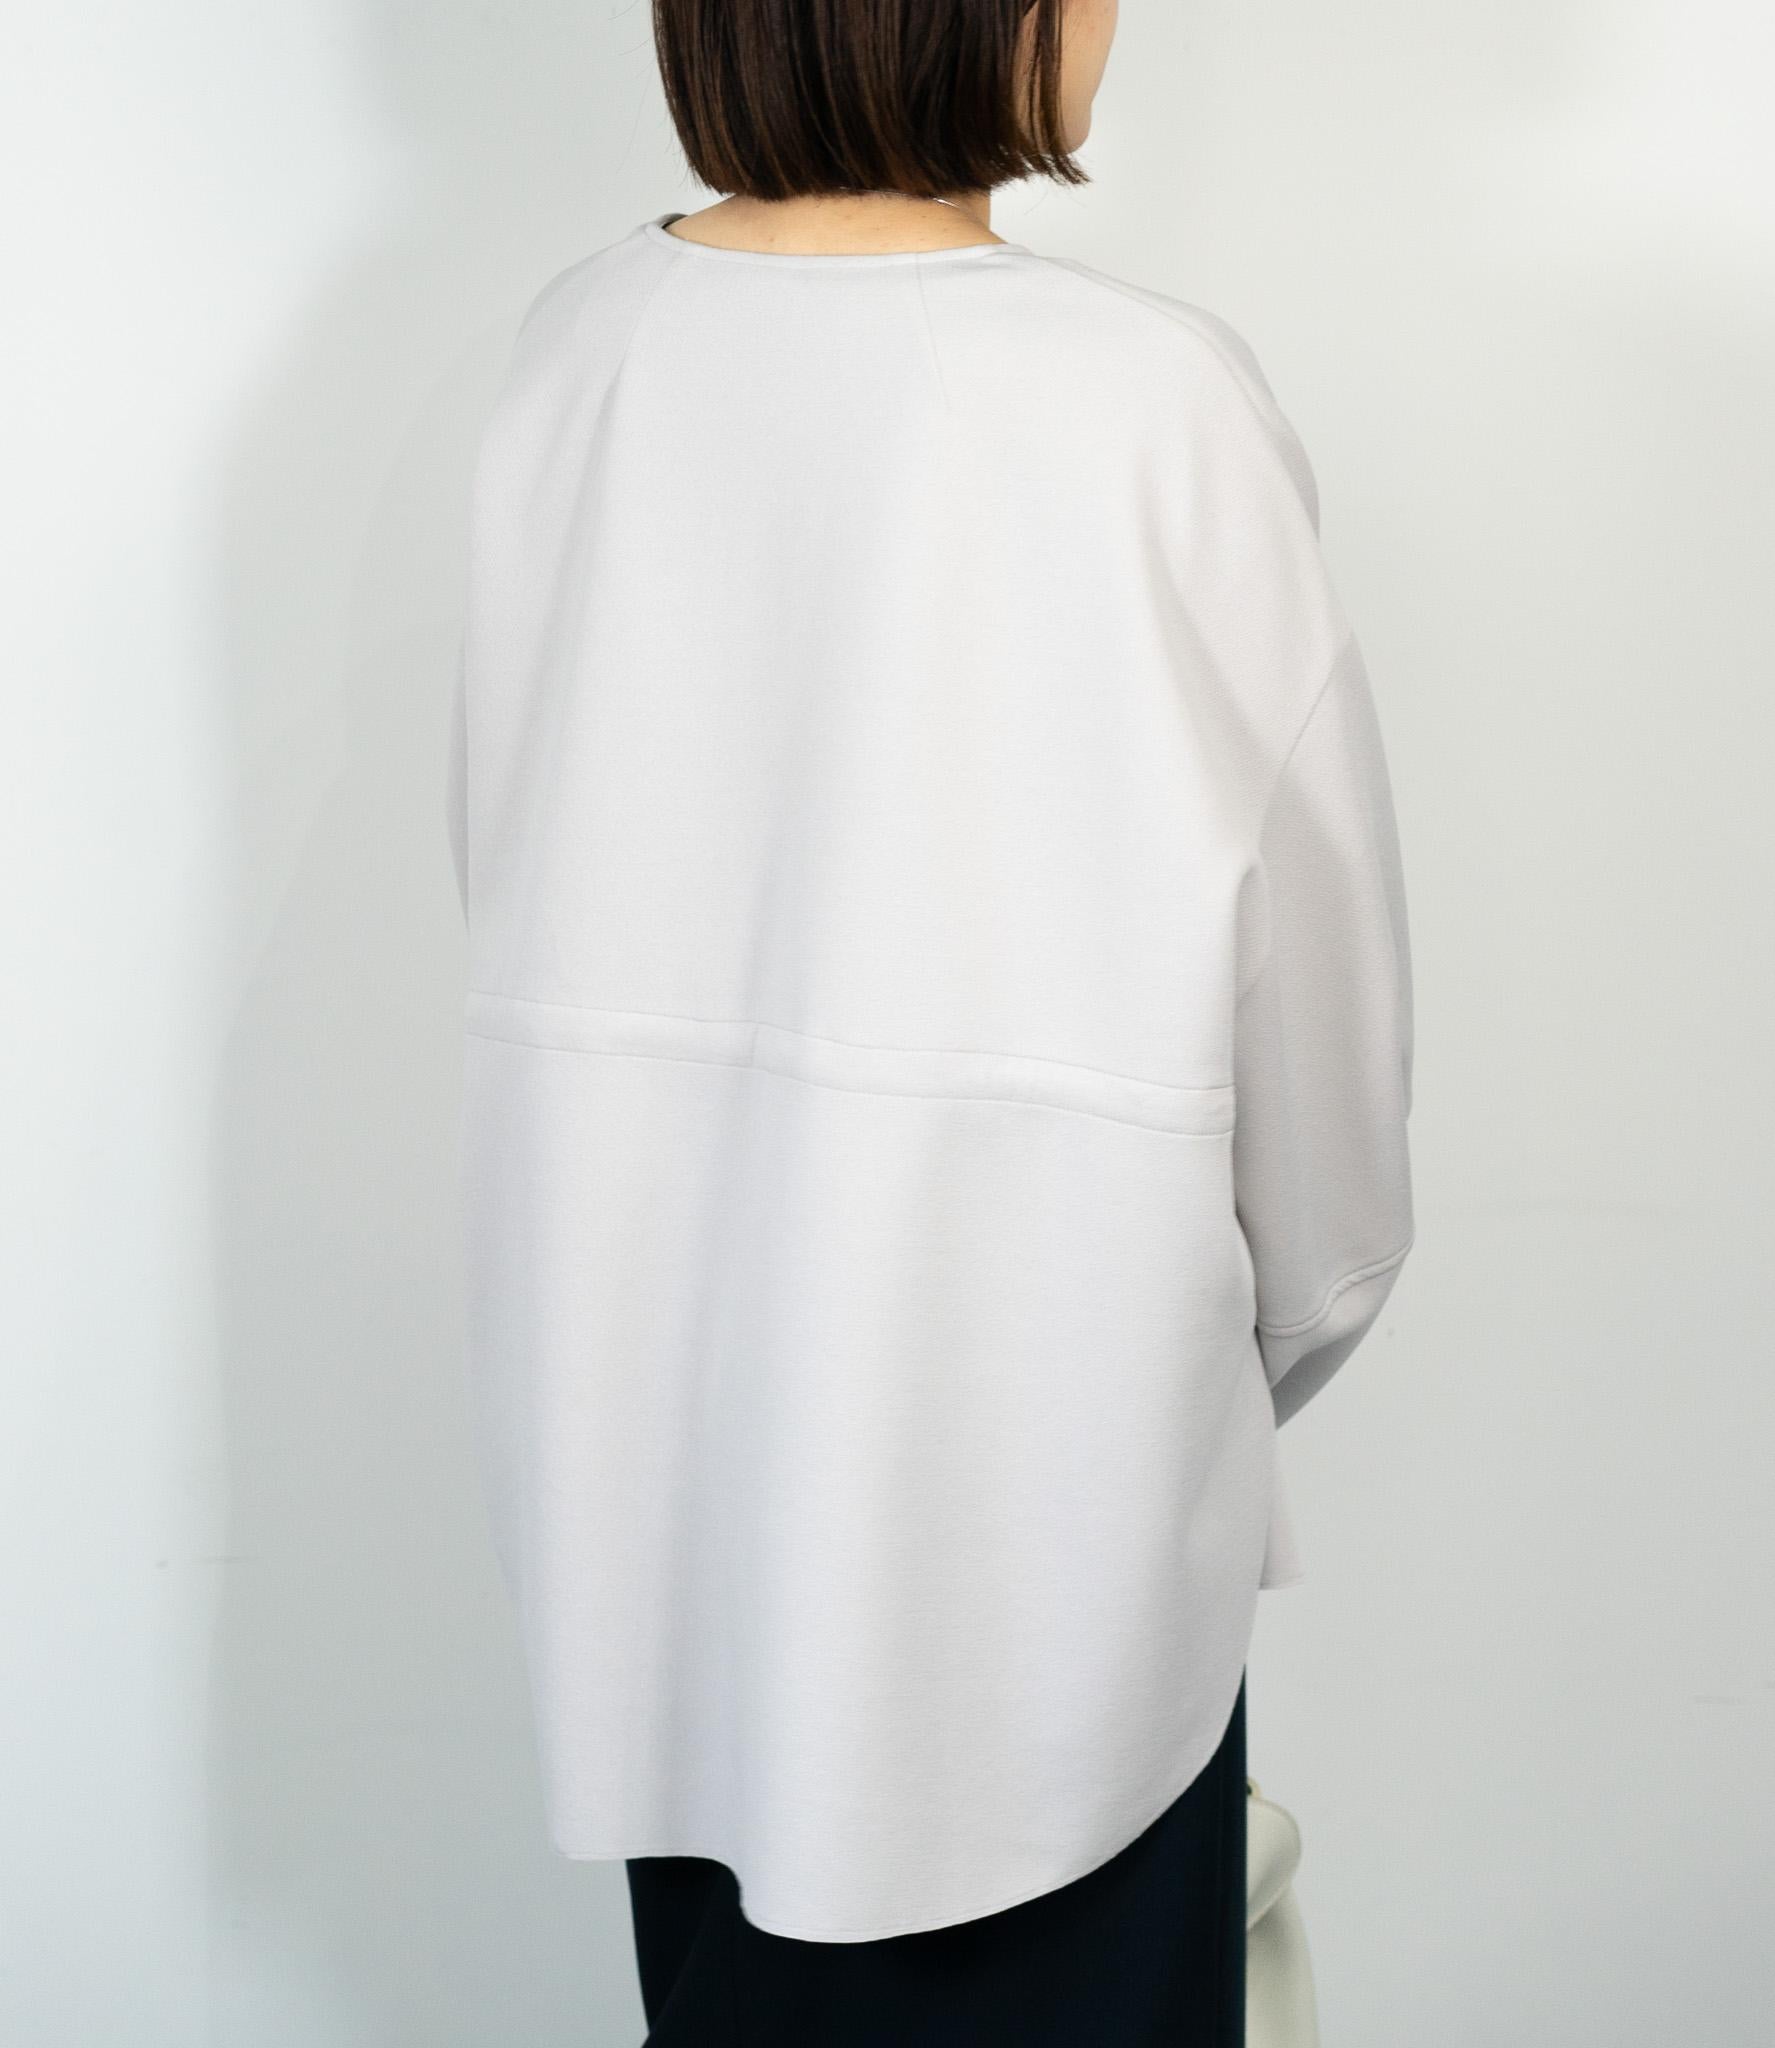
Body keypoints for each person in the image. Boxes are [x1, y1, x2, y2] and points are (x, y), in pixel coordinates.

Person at [444, 0, 1415, 2038]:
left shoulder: (580, 354)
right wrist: (1220, 1377)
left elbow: (519, 891)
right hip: (1046, 1554)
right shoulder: (1152, 401)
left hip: (671, 1534)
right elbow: (1324, 1100)